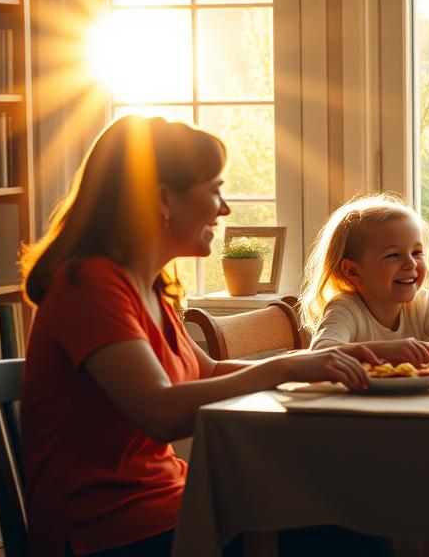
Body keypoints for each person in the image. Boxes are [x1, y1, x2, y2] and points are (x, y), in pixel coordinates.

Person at [20, 116, 390, 557]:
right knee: (348, 542)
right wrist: (286, 366)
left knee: (353, 526)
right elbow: (159, 412)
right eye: (214, 189)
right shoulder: (89, 285)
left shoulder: (149, 284)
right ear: (163, 199)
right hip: (108, 535)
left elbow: (207, 370)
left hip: (170, 510)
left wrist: (319, 366)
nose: (224, 208)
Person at [300, 192, 429, 363]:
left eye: (417, 252)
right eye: (393, 255)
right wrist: (385, 351)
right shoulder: (346, 308)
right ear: (353, 271)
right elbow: (321, 353)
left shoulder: (424, 305)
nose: (411, 263)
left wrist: (414, 352)